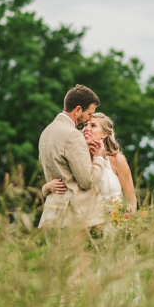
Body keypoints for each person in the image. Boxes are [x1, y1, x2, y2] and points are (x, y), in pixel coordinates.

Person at [37, 85, 108, 229]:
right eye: (89, 114)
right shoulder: (72, 135)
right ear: (77, 110)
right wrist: (99, 158)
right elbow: (87, 181)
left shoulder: (46, 132)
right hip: (71, 219)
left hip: (51, 216)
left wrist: (45, 188)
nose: (88, 120)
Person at [43, 112, 137, 216]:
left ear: (104, 134)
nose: (86, 128)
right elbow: (65, 189)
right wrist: (46, 188)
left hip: (115, 224)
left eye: (93, 125)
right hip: (84, 225)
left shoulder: (117, 160)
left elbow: (131, 200)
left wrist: (128, 225)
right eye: (85, 125)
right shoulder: (76, 159)